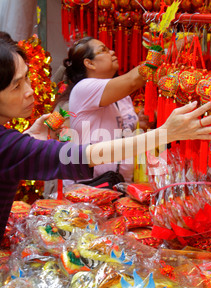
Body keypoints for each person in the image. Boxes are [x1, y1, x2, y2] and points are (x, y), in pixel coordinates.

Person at [0, 36, 211, 258]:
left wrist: (32, 140)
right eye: (16, 85)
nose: (29, 90)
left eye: (26, 78)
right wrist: (163, 134)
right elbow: (86, 154)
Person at [62, 36, 151, 183]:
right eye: (103, 50)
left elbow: (121, 130)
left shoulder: (122, 96)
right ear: (89, 63)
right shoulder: (83, 89)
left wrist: (139, 124)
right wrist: (165, 52)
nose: (112, 52)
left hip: (120, 185)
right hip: (89, 188)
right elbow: (133, 80)